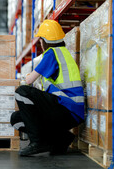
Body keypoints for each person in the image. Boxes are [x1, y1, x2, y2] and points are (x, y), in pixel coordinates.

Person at [10, 19, 84, 156]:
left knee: (22, 92)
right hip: (70, 112)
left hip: (67, 109)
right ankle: (62, 138)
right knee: (17, 118)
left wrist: (17, 81)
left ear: (43, 40)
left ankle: (37, 143)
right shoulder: (64, 53)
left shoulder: (52, 53)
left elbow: (29, 80)